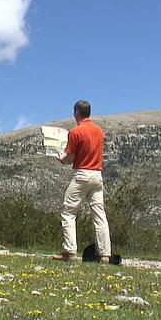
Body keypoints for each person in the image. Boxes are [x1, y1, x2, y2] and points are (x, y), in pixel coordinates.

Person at [52, 100, 111, 263]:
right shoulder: (99, 131)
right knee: (99, 215)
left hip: (82, 174)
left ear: (77, 112)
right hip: (97, 175)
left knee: (68, 211)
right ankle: (105, 254)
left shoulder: (75, 132)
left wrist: (61, 160)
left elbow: (70, 159)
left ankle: (70, 251)